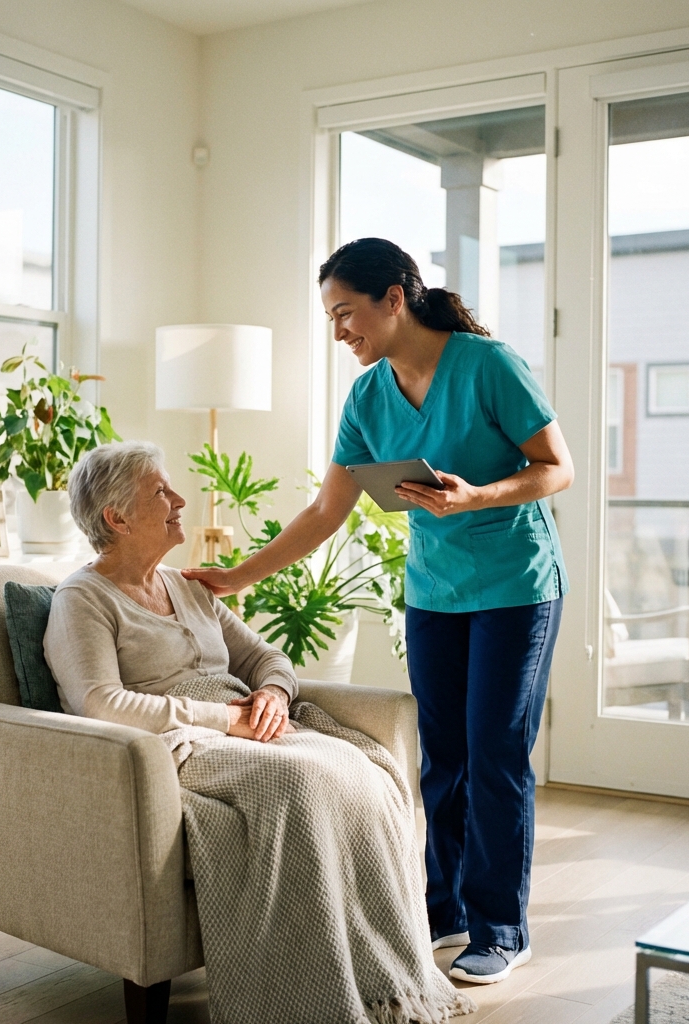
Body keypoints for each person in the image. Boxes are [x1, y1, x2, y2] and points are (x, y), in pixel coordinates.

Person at [184, 237, 574, 986]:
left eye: (346, 314)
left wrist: (477, 495)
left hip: (517, 586)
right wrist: (239, 575)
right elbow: (328, 509)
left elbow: (558, 467)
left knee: (494, 752)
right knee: (444, 758)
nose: (339, 333)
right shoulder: (368, 397)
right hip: (435, 593)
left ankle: (503, 926)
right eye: (331, 318)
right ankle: (446, 909)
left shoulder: (489, 365)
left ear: (394, 298)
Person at [43, 441, 471, 1024]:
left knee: (366, 769)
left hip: (246, 721)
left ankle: (386, 987)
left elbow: (268, 658)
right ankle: (311, 1004)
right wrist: (225, 719)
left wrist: (270, 694)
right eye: (160, 493)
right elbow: (101, 703)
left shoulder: (189, 587)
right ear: (116, 518)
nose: (180, 500)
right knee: (298, 781)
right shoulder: (82, 598)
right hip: (178, 743)